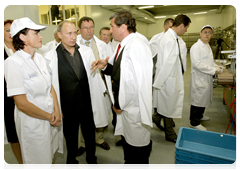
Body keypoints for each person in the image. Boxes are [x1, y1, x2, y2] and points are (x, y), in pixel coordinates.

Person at [91, 9, 153, 169]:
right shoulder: (123, 45)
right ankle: (129, 164)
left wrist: (119, 104)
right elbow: (119, 71)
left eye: (112, 26)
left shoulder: (136, 46)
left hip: (133, 107)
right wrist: (105, 67)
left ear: (123, 27)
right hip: (127, 107)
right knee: (129, 142)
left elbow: (135, 83)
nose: (110, 31)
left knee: (138, 146)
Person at [44, 20, 109, 169]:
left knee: (89, 135)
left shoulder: (86, 52)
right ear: (59, 35)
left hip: (86, 102)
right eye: (69, 33)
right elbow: (50, 85)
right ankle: (71, 161)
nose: (73, 36)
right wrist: (56, 108)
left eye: (74, 32)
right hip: (67, 106)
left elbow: (92, 78)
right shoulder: (51, 57)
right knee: (71, 138)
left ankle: (92, 159)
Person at [4, 17, 63, 169]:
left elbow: (50, 87)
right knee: (37, 163)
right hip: (33, 123)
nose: (41, 36)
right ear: (22, 37)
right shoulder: (13, 63)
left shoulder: (40, 59)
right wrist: (50, 116)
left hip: (50, 119)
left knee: (48, 159)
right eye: (36, 33)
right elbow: (22, 104)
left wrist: (56, 110)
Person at [152, 14, 191, 143]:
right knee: (168, 105)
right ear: (181, 26)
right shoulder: (169, 39)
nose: (186, 31)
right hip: (167, 79)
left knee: (166, 104)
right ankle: (169, 133)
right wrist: (158, 83)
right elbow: (167, 64)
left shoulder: (171, 37)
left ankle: (157, 118)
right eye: (186, 28)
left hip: (169, 78)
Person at [77, 16, 112, 153]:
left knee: (101, 111)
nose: (89, 30)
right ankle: (84, 142)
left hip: (99, 83)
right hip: (82, 86)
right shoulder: (75, 43)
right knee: (84, 115)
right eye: (85, 28)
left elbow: (109, 64)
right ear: (79, 29)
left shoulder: (101, 45)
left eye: (91, 27)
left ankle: (99, 138)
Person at [189, 25, 222, 131]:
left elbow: (208, 61)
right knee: (197, 100)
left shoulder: (207, 46)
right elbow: (196, 64)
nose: (207, 34)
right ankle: (194, 122)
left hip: (206, 77)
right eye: (205, 32)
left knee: (204, 98)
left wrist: (215, 66)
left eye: (209, 32)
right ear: (200, 33)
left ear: (212, 35)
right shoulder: (196, 47)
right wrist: (213, 70)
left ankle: (200, 116)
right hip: (199, 78)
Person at [4, 19, 24, 169]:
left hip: (25, 96)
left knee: (27, 130)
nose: (10, 33)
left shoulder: (23, 48)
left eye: (12, 30)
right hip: (8, 99)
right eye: (6, 31)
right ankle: (21, 164)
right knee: (13, 134)